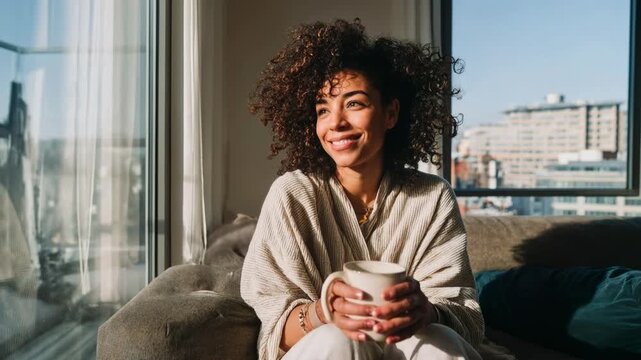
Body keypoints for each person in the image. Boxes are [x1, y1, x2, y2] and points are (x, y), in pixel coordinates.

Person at [241, 19, 483, 360]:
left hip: (403, 345)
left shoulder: (432, 197)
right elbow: (273, 328)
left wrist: (427, 312)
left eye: (354, 104)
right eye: (323, 109)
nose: (335, 122)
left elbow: (466, 318)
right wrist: (324, 312)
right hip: (322, 349)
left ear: (391, 113)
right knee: (340, 339)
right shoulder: (292, 195)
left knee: (439, 341)